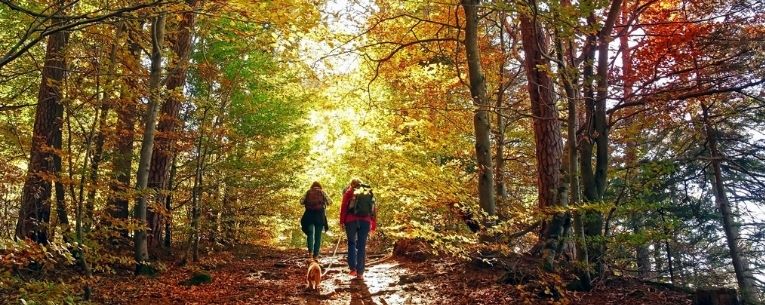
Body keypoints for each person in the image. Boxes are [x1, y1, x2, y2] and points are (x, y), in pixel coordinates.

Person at [340, 178, 377, 280]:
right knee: (362, 245)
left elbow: (343, 207)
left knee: (351, 243)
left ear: (351, 184)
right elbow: (373, 209)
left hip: (350, 221)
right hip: (365, 221)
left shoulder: (349, 192)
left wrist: (342, 221)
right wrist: (373, 224)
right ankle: (360, 273)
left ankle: (353, 269)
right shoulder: (368, 192)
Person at [300, 181, 330, 260]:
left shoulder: (308, 192)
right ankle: (316, 255)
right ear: (320, 186)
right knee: (318, 236)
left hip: (309, 215)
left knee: (310, 234)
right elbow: (330, 202)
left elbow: (301, 201)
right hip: (319, 216)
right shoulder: (322, 192)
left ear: (312, 186)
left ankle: (310, 254)